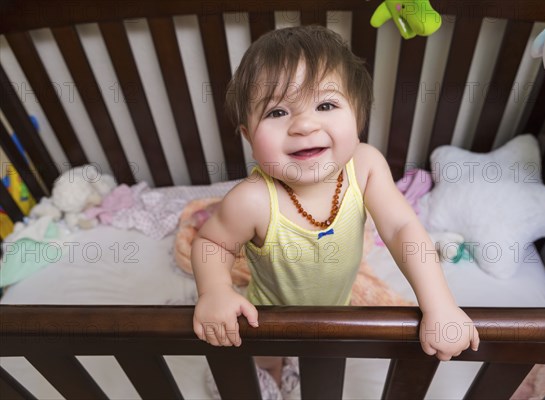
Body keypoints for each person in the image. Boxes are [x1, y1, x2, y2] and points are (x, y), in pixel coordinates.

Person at [191, 25, 479, 397]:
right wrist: (215, 291)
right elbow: (211, 242)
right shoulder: (253, 199)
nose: (305, 125)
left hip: (337, 307)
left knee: (324, 355)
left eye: (325, 105)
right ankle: (272, 372)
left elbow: (401, 228)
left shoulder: (366, 165)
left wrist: (439, 302)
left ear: (358, 116)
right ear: (248, 137)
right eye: (277, 111)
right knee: (264, 354)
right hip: (270, 314)